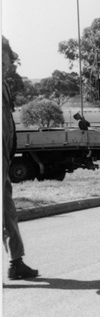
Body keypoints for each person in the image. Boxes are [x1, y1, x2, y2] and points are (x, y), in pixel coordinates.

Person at [3, 71, 39, 280]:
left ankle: (16, 263)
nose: (7, 61)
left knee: (8, 212)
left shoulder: (4, 86)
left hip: (4, 157)